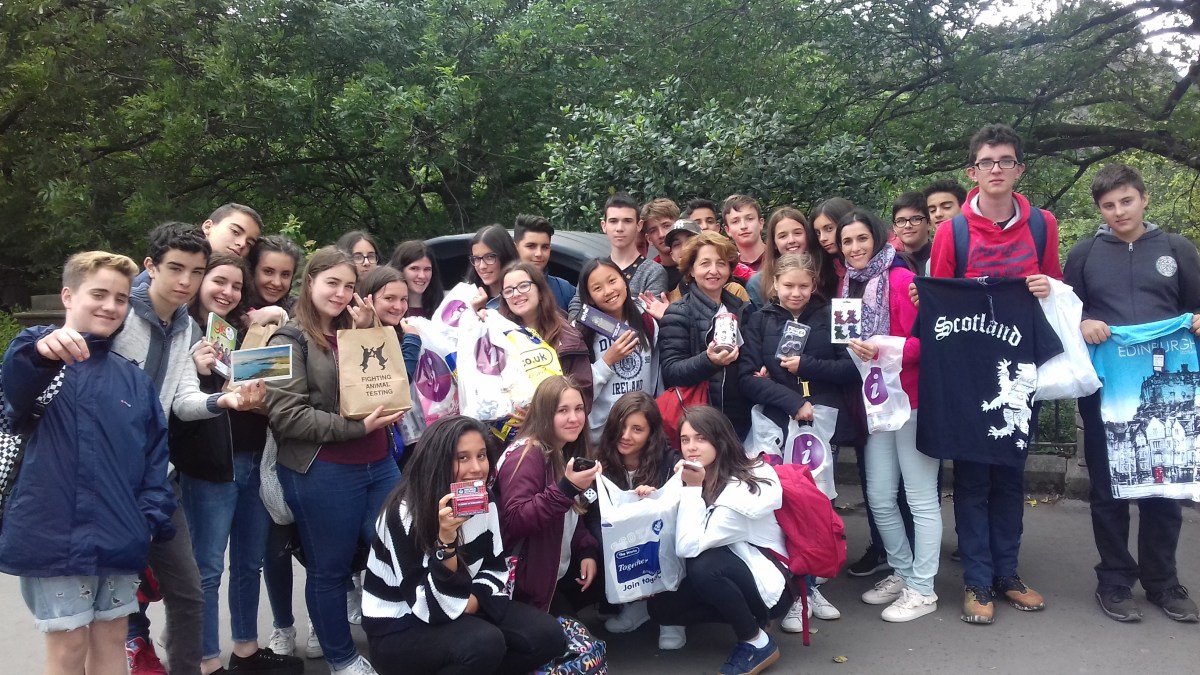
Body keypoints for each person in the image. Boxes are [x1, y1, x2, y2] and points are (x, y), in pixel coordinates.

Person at [0, 251, 174, 675]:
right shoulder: (36, 354)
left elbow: (155, 463)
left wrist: (147, 522)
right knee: (68, 647)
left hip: (121, 536)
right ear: (68, 296)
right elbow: (19, 382)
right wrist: (42, 352)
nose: (110, 306)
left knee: (113, 640)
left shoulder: (135, 381)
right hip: (50, 536)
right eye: (98, 294)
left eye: (120, 298)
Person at [922, 123, 1062, 625]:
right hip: (969, 371)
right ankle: (977, 580)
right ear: (972, 172)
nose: (996, 169)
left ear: (1019, 169)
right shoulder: (951, 231)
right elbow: (939, 300)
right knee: (973, 478)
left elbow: (1057, 288)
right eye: (987, 161)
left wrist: (1048, 287)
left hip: (1020, 368)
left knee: (1009, 475)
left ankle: (1008, 574)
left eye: (1005, 160)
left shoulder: (1042, 224)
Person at [115, 223, 266, 675]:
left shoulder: (183, 325)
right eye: (176, 269)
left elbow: (182, 400)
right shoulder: (120, 314)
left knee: (188, 592)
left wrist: (224, 401)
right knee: (104, 602)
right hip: (108, 479)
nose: (185, 281)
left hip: (157, 478)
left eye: (195, 272)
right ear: (150, 266)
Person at [1065, 163, 1200, 623]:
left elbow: (1196, 305)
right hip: (1108, 388)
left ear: (1144, 198)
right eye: (1109, 205)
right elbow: (1067, 314)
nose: (1119, 211)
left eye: (1126, 201)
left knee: (1165, 486)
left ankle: (1163, 582)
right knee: (1108, 489)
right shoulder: (1084, 254)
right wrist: (1083, 323)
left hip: (1167, 388)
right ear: (1099, 210)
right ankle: (1115, 580)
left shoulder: (1177, 249)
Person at [265, 247, 405, 675]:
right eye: (332, 283)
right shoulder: (286, 340)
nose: (341, 294)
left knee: (395, 553)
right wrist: (355, 429)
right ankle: (341, 658)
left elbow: (383, 382)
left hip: (379, 462)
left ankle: (398, 641)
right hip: (322, 470)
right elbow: (287, 416)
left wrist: (370, 330)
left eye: (349, 285)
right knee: (330, 569)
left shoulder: (358, 328)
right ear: (310, 282)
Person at [175, 254, 304, 674]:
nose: (227, 292)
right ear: (200, 281)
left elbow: (279, 373)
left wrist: (275, 319)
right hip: (209, 464)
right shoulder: (183, 330)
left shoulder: (245, 330)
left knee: (250, 562)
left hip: (255, 458)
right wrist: (200, 373)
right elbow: (176, 404)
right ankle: (207, 661)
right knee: (208, 567)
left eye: (235, 285)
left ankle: (245, 651)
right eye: (219, 281)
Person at [361, 416, 566, 674]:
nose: (477, 468)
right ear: (438, 461)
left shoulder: (483, 497)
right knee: (484, 644)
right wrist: (446, 542)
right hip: (400, 624)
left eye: (481, 455)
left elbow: (495, 568)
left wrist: (474, 601)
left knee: (548, 634)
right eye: (462, 458)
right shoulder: (403, 513)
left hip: (462, 601)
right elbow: (429, 608)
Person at [739, 251, 860, 628]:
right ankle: (792, 591)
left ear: (814, 285)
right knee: (782, 504)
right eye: (788, 285)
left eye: (803, 286)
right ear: (774, 284)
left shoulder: (833, 314)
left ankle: (811, 586)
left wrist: (806, 365)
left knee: (817, 503)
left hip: (820, 424)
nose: (796, 293)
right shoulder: (758, 319)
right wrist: (791, 402)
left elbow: (851, 369)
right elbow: (747, 379)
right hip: (776, 423)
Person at [837, 209, 940, 622]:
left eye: (862, 238)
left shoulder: (900, 279)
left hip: (912, 399)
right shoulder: (848, 284)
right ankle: (903, 571)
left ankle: (924, 589)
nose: (854, 248)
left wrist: (882, 348)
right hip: (877, 401)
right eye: (847, 241)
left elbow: (926, 341)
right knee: (879, 497)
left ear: (878, 238)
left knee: (920, 497)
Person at [647, 407, 790, 675]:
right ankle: (747, 616)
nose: (691, 447)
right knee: (662, 610)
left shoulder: (740, 490)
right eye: (685, 439)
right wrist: (653, 496)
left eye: (701, 438)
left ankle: (756, 641)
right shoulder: (702, 473)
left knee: (704, 565)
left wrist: (691, 489)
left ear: (719, 440)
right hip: (735, 569)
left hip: (768, 584)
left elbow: (688, 545)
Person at [495, 376, 602, 613]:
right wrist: (567, 489)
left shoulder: (561, 451)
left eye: (579, 409)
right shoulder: (527, 455)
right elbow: (516, 519)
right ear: (544, 414)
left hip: (549, 579)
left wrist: (586, 550)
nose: (574, 418)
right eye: (563, 410)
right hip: (522, 589)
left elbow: (569, 515)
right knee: (563, 635)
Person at [589, 392, 683, 644]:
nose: (625, 435)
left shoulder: (668, 461)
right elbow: (593, 516)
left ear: (651, 433)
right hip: (624, 549)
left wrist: (654, 502)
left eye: (637, 429)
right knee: (602, 540)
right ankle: (638, 605)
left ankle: (671, 614)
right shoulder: (600, 465)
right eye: (621, 426)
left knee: (667, 539)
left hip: (662, 544)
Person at [659, 232, 753, 439]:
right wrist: (708, 361)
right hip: (699, 422)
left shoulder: (743, 309)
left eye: (721, 263)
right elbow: (671, 371)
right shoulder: (678, 312)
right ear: (691, 270)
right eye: (705, 263)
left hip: (741, 419)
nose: (714, 270)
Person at [574, 258, 659, 444]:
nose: (608, 291)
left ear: (625, 281)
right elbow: (577, 391)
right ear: (589, 297)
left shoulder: (647, 321)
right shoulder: (580, 331)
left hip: (640, 432)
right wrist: (607, 361)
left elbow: (655, 379)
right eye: (597, 288)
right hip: (600, 436)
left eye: (612, 281)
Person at [495, 262, 594, 411]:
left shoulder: (569, 338)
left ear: (540, 291)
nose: (516, 294)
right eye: (508, 291)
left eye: (524, 286)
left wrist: (543, 416)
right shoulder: (496, 336)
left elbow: (583, 393)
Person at [747, 206, 831, 310]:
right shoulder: (757, 283)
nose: (791, 240)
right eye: (783, 236)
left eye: (797, 233)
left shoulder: (825, 273)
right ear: (774, 243)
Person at [513, 213, 576, 311]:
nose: (539, 253)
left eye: (545, 247)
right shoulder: (503, 290)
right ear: (515, 248)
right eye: (531, 246)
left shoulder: (565, 290)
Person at [245, 235, 303, 328]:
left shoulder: (299, 310)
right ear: (252, 270)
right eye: (268, 272)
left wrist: (282, 317)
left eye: (285, 275)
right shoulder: (233, 303)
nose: (277, 283)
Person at [806, 198, 854, 299]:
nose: (822, 238)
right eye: (818, 233)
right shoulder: (823, 270)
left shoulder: (878, 263)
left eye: (829, 229)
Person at [466, 224, 520, 310]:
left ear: (505, 255)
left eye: (490, 257)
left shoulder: (522, 296)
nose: (482, 266)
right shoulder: (466, 295)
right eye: (476, 259)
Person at [388, 240, 444, 320]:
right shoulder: (389, 310)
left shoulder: (444, 308)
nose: (422, 276)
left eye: (427, 269)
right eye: (414, 268)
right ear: (400, 270)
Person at [640, 198, 683, 288]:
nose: (662, 234)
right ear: (649, 239)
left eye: (666, 226)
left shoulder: (698, 266)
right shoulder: (647, 277)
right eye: (653, 230)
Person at [722, 194, 767, 275]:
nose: (743, 226)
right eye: (735, 221)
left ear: (761, 223)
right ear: (728, 230)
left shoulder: (780, 257)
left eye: (749, 219)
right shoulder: (728, 269)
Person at [890, 192, 933, 273]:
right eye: (900, 221)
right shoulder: (889, 263)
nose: (907, 225)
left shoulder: (941, 258)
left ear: (929, 223)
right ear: (894, 227)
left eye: (915, 219)